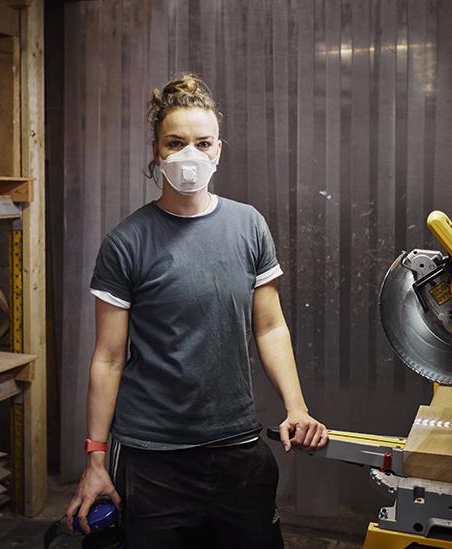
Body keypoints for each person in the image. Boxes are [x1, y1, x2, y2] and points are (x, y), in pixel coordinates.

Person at [65, 73, 328, 549]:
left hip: (236, 447)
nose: (190, 155)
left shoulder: (248, 226)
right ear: (156, 151)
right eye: (176, 142)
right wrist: (96, 459)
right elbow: (108, 357)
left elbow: (269, 327)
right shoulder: (126, 242)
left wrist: (296, 407)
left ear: (219, 150)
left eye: (202, 142)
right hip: (153, 457)